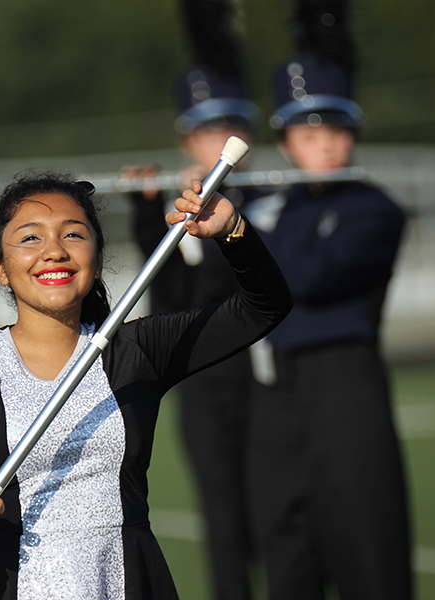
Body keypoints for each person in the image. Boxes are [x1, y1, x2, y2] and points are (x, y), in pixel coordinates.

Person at [0, 171, 292, 599]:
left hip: (130, 583)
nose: (54, 251)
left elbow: (264, 307)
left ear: (96, 261)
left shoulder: (136, 349)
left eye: (73, 234)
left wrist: (233, 230)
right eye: (30, 237)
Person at [242, 2, 413, 598]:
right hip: (273, 398)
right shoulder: (266, 209)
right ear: (286, 141)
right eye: (308, 133)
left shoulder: (374, 209)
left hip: (345, 391)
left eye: (336, 131)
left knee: (368, 554)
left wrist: (240, 230)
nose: (325, 146)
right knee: (286, 557)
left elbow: (307, 278)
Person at [122, 2, 264, 597]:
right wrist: (146, 215)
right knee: (224, 521)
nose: (215, 142)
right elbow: (172, 304)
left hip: (265, 382)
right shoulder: (176, 210)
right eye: (205, 130)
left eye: (226, 130)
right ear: (186, 136)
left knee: (278, 518)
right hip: (205, 385)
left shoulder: (264, 204)